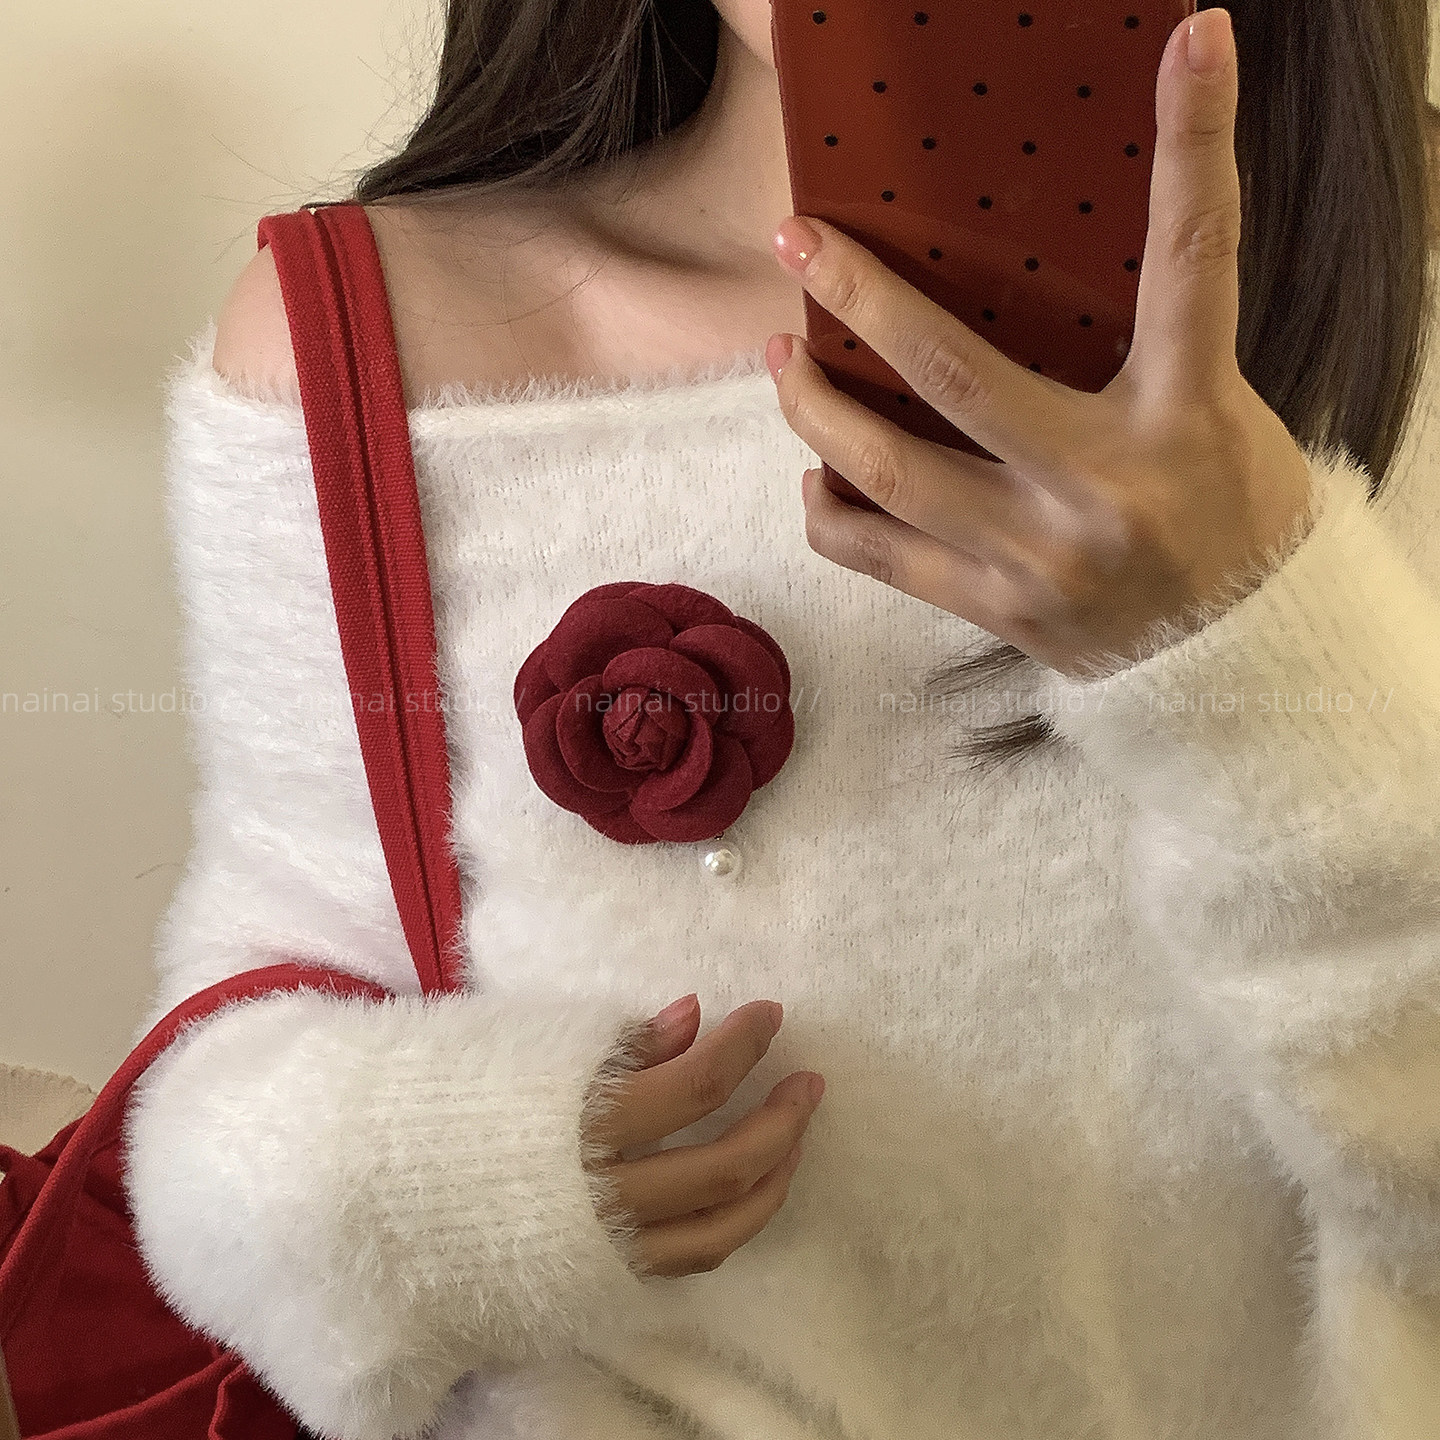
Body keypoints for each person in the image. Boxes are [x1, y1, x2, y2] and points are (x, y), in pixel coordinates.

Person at [125, 0, 1440, 1436]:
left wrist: (1262, 646)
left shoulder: (1405, 351)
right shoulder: (367, 342)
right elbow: (275, 976)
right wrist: (421, 1176)